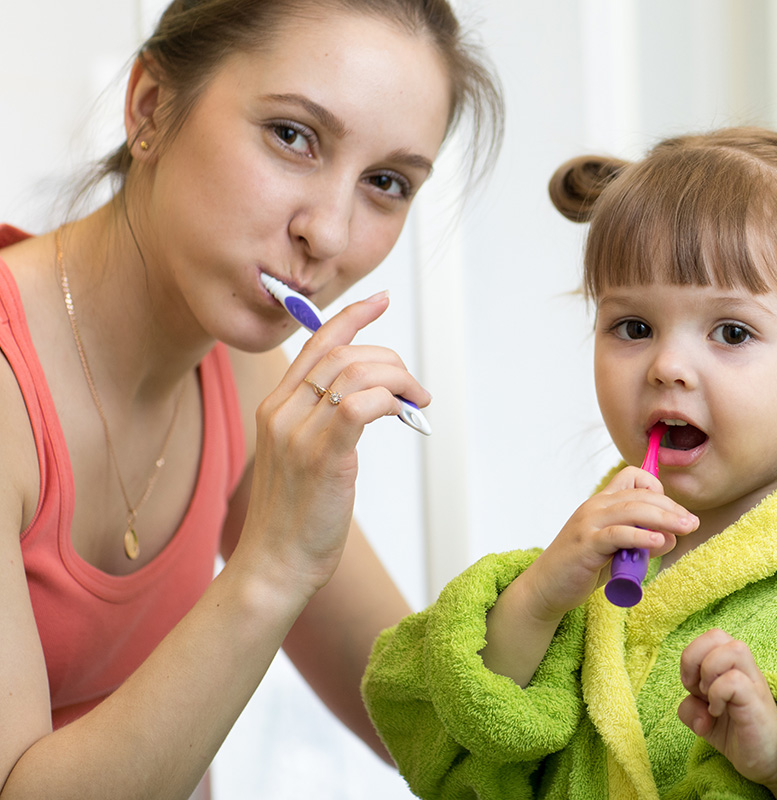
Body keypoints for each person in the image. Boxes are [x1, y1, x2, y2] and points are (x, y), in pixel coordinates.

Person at [362, 112, 777, 798]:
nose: (668, 364)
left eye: (731, 332)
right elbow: (442, 749)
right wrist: (533, 604)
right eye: (634, 326)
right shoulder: (585, 577)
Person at [0, 0, 502, 797]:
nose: (329, 234)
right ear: (151, 109)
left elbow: (425, 718)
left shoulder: (239, 372)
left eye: (385, 182)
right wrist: (273, 565)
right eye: (292, 136)